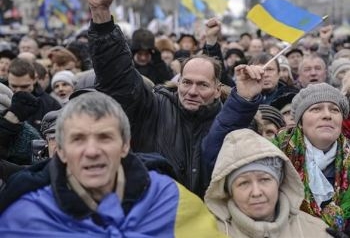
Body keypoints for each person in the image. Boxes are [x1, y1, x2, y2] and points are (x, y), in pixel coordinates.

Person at [87, 0, 264, 197]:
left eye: (202, 85)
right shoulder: (153, 107)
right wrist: (101, 15)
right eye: (187, 82)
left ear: (218, 89)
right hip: (155, 216)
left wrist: (244, 100)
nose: (191, 91)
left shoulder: (234, 121)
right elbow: (117, 75)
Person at [0, 91, 226, 238]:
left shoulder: (170, 199)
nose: (92, 151)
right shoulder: (26, 214)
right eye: (78, 139)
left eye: (104, 138)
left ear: (125, 145)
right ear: (61, 150)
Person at [204, 128, 331, 238]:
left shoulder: (315, 231)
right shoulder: (208, 232)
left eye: (264, 180)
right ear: (229, 190)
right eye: (243, 183)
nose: (256, 192)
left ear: (279, 182)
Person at [272, 83, 350, 232]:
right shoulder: (275, 153)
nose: (327, 115)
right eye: (316, 109)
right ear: (300, 122)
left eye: (335, 110)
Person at [7, 58, 61, 131]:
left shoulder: (51, 105)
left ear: (35, 79)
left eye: (24, 86)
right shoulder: (2, 101)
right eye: (14, 86)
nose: (18, 91)